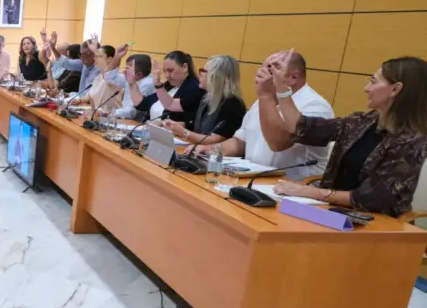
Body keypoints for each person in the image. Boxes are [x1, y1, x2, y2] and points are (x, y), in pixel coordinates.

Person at [257, 51, 427, 216]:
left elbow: (373, 198)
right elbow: (302, 127)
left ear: (395, 89)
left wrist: (309, 192)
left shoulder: (412, 141)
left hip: (376, 226)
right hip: (333, 212)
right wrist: (281, 87)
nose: (366, 88)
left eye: (373, 82)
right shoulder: (362, 121)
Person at [195, 51, 334, 177]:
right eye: (263, 68)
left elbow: (279, 142)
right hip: (251, 179)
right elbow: (240, 141)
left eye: (271, 70)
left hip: (291, 189)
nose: (262, 75)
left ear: (293, 77)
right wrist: (212, 150)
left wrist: (266, 96)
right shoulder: (262, 101)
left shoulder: (315, 106)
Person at [166, 55, 246, 145]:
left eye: (203, 71)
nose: (200, 74)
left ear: (216, 76)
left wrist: (184, 133)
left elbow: (216, 140)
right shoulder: (206, 97)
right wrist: (180, 125)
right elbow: (200, 128)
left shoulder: (233, 104)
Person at [151, 50, 203, 128]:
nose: (167, 75)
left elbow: (170, 105)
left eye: (171, 70)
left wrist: (158, 84)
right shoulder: (169, 84)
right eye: (164, 71)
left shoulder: (194, 87)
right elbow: (146, 103)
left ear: (185, 67)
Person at [117, 54, 158, 120]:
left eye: (128, 68)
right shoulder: (132, 78)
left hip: (137, 123)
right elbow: (110, 77)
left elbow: (132, 112)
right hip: (126, 119)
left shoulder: (147, 83)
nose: (124, 71)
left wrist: (112, 113)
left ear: (139, 74)